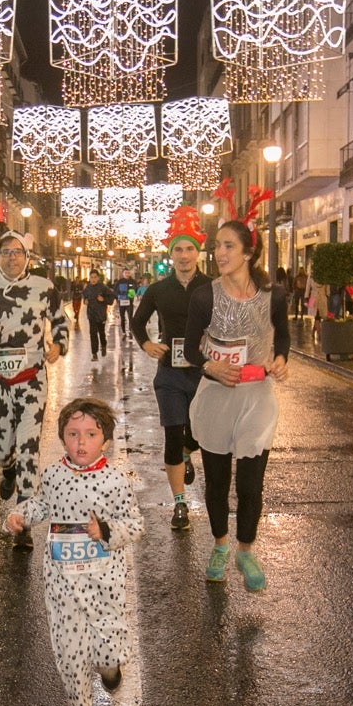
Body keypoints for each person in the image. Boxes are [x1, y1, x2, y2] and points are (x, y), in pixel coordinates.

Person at [4, 397, 142, 706]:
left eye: (91, 434)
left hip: (104, 585)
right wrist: (19, 515)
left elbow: (135, 524)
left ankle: (110, 667)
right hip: (63, 585)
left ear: (105, 440)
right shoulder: (52, 475)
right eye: (73, 434)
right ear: (63, 438)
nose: (81, 442)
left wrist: (107, 530)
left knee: (106, 648)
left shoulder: (115, 481)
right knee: (70, 653)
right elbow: (42, 505)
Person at [185, 219, 290, 592]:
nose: (220, 254)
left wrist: (280, 361)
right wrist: (210, 365)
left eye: (229, 246)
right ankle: (220, 545)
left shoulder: (274, 295)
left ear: (248, 252)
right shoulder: (204, 296)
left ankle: (246, 549)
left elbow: (284, 339)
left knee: (250, 483)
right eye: (217, 246)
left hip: (256, 397)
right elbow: (189, 347)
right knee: (217, 481)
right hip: (215, 397)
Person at [0, 230, 68, 550]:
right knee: (3, 446)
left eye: (17, 252)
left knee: (29, 447)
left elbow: (61, 323)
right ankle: (7, 468)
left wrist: (58, 346)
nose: (12, 257)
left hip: (32, 379)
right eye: (5, 252)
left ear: (27, 256)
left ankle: (23, 519)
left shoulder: (44, 288)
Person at [132, 207, 210, 530]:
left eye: (189, 248)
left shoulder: (212, 287)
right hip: (170, 373)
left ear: (198, 251)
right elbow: (138, 323)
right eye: (178, 249)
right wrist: (148, 344)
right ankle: (180, 505)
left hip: (205, 373)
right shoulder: (158, 290)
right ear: (171, 253)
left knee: (199, 434)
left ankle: (190, 450)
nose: (184, 255)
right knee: (172, 434)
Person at [82, 269, 114, 360]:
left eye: (95, 277)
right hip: (91, 314)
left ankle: (103, 345)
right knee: (93, 333)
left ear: (98, 278)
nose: (93, 279)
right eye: (91, 277)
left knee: (101, 332)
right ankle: (94, 353)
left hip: (101, 315)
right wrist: (85, 300)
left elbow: (111, 297)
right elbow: (84, 296)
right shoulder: (87, 288)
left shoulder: (103, 288)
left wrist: (103, 299)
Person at [112, 271, 136, 335]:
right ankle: (123, 331)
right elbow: (115, 291)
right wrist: (117, 297)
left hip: (129, 302)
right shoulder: (119, 282)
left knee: (130, 316)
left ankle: (131, 330)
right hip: (122, 302)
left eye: (128, 273)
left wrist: (132, 294)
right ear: (123, 274)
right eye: (125, 273)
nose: (127, 274)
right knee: (122, 317)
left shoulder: (132, 281)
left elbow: (135, 289)